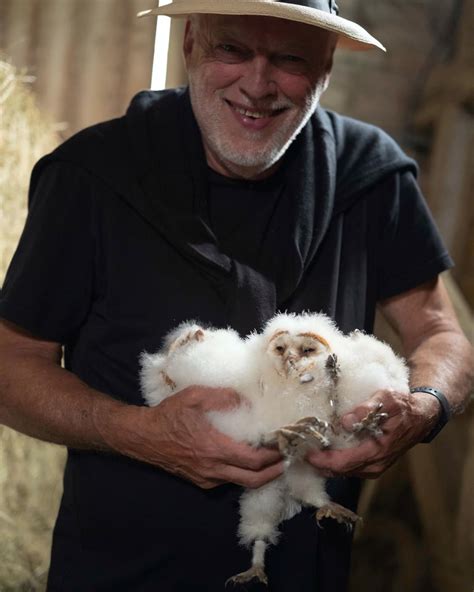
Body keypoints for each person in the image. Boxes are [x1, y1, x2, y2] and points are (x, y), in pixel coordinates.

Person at [0, 1, 472, 590]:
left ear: (327, 65)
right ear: (192, 41)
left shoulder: (371, 175)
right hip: (123, 570)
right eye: (233, 49)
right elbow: (12, 364)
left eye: (289, 59)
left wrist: (425, 407)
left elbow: (440, 330)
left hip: (308, 571)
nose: (257, 84)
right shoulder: (92, 176)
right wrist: (134, 432)